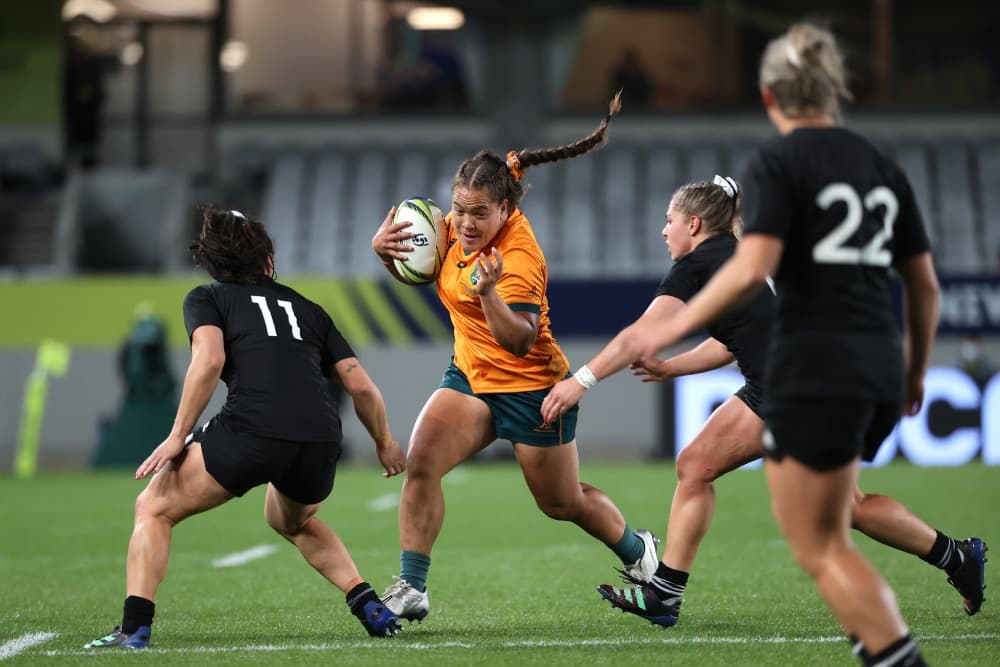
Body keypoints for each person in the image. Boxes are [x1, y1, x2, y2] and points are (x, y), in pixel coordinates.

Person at [542, 22, 988, 666]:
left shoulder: (723, 241)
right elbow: (912, 288)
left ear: (773, 99)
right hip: (847, 366)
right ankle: (956, 556)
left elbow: (650, 328)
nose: (663, 229)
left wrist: (583, 378)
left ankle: (883, 646)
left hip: (796, 381)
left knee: (816, 530)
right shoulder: (880, 169)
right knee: (810, 497)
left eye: (669, 220)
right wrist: (674, 367)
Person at [371, 94, 659, 623]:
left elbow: (522, 340)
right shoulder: (452, 228)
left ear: (507, 209)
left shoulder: (519, 258)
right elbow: (422, 271)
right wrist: (383, 252)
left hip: (534, 389)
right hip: (470, 378)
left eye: (479, 213)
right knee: (422, 466)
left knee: (561, 504)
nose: (466, 222)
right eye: (459, 209)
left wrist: (488, 295)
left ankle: (639, 552)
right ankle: (412, 587)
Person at [85, 208, 407, 649]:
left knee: (153, 507)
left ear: (213, 262)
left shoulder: (208, 298)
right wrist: (384, 442)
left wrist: (179, 434)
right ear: (268, 260)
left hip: (252, 429)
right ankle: (367, 602)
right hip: (319, 438)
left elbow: (210, 361)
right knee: (291, 519)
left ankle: (134, 628)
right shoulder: (309, 310)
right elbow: (362, 389)